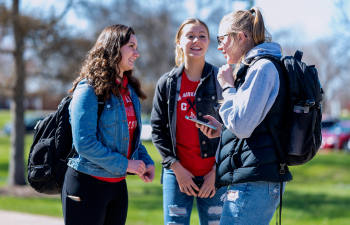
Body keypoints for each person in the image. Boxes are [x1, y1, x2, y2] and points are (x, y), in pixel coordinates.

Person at [196, 7, 293, 225]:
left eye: (222, 39)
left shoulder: (262, 68)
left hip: (255, 179)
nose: (219, 46)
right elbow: (257, 126)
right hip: (256, 175)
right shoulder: (260, 67)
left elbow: (241, 125)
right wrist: (223, 131)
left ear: (240, 37)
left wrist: (228, 88)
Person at [61, 24, 155, 225]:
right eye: (131, 46)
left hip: (118, 188)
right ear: (114, 48)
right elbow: (84, 143)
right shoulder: (88, 89)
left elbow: (131, 138)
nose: (137, 53)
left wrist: (146, 161)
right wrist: (126, 165)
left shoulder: (130, 92)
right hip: (86, 185)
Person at [151, 18, 226, 225]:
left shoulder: (222, 79)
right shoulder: (167, 83)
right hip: (177, 176)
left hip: (214, 177)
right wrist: (176, 169)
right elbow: (158, 131)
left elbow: (232, 130)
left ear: (209, 42)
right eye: (190, 35)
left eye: (202, 36)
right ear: (179, 42)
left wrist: (215, 172)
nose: (196, 40)